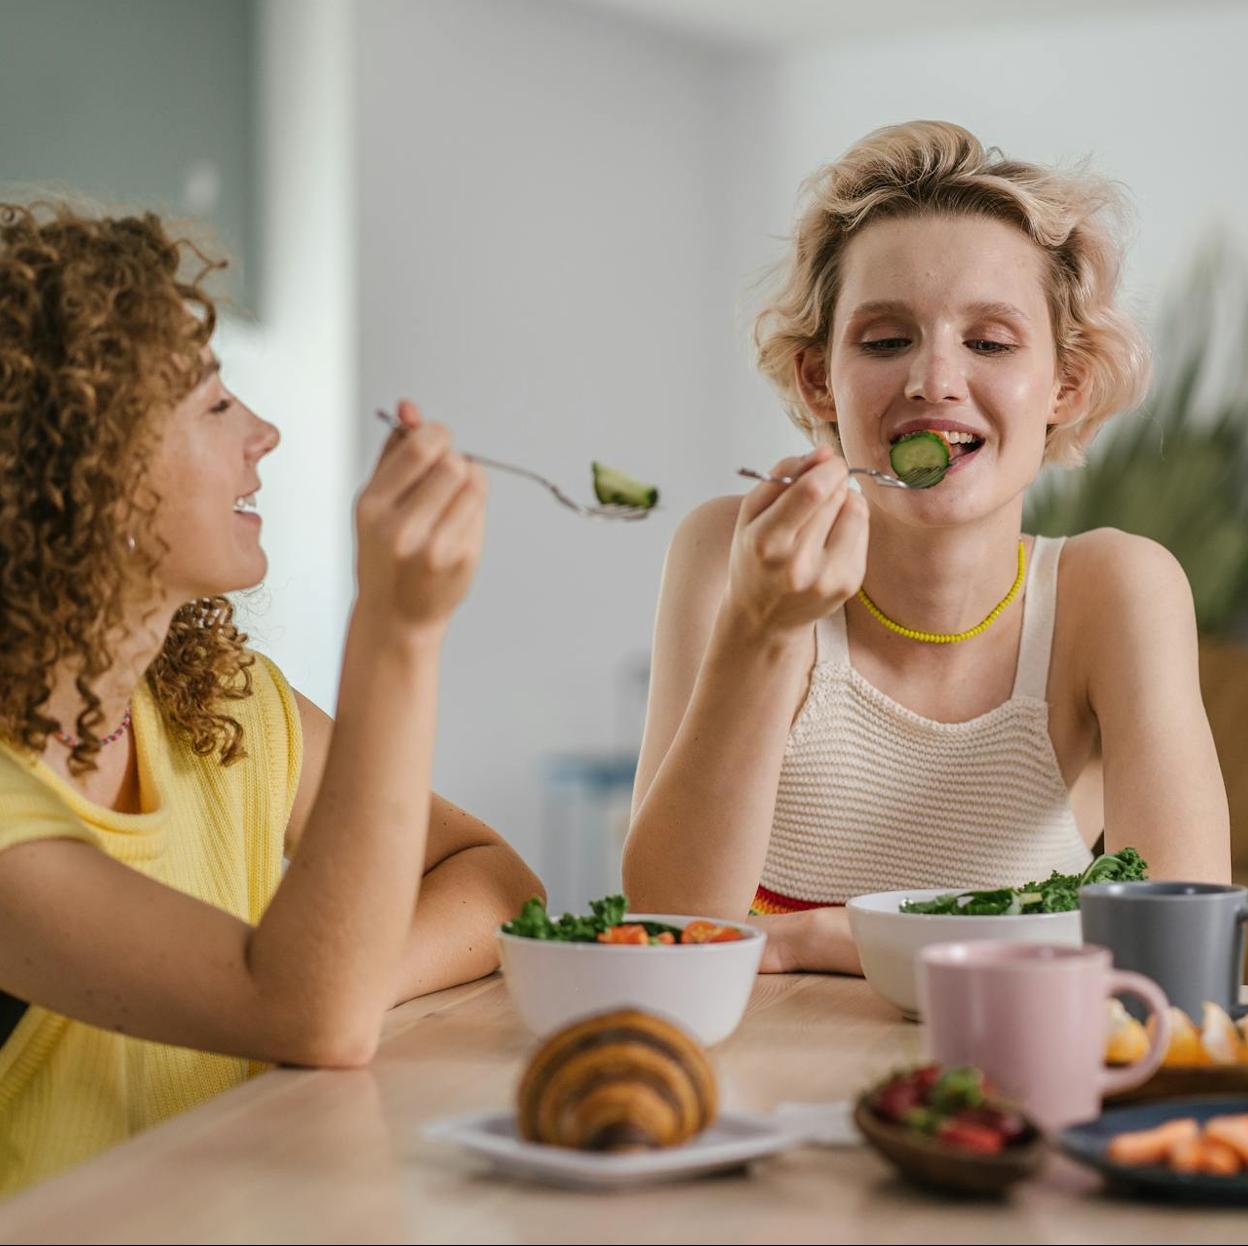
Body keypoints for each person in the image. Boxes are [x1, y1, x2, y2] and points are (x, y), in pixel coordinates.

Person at [0, 202, 542, 1194]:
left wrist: (351, 961)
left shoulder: (228, 706)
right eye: (213, 406)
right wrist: (399, 628)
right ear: (79, 468)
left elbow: (497, 882)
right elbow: (308, 1012)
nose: (265, 433)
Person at [622, 121, 1230, 974]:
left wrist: (826, 938)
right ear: (815, 378)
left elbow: (1178, 945)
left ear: (1066, 383)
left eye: (989, 342)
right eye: (884, 340)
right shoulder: (730, 552)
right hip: (755, 1072)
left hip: (1011, 1070)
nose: (934, 380)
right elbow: (668, 926)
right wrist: (760, 629)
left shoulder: (1115, 591)